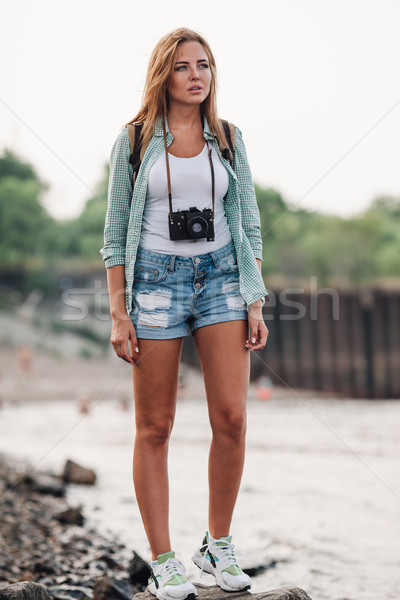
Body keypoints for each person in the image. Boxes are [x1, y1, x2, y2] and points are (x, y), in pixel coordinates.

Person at [101, 27, 269, 600]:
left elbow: (248, 223)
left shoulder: (228, 138)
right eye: (182, 67)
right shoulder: (134, 140)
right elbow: (113, 236)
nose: (196, 75)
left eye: (204, 65)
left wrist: (254, 298)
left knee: (232, 417)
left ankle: (216, 545)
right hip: (154, 284)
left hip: (222, 276)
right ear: (162, 76)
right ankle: (165, 560)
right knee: (156, 426)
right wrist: (119, 313)